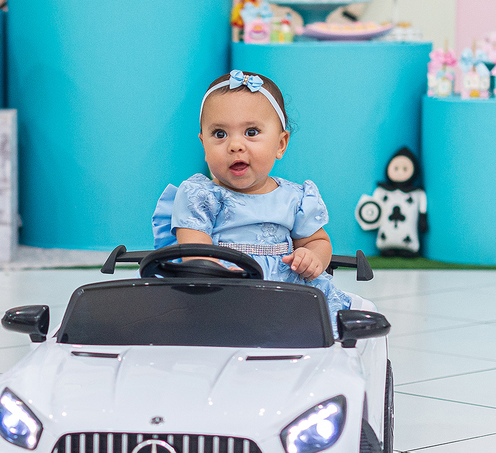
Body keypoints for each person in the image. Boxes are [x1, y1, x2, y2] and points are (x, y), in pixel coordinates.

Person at [151, 69, 352, 328]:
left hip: (286, 295)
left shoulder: (295, 198)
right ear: (204, 146)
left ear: (280, 144)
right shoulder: (199, 195)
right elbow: (194, 252)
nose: (235, 145)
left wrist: (312, 257)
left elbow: (318, 241)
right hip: (220, 295)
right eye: (220, 134)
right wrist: (219, 275)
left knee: (324, 325)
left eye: (251, 132)